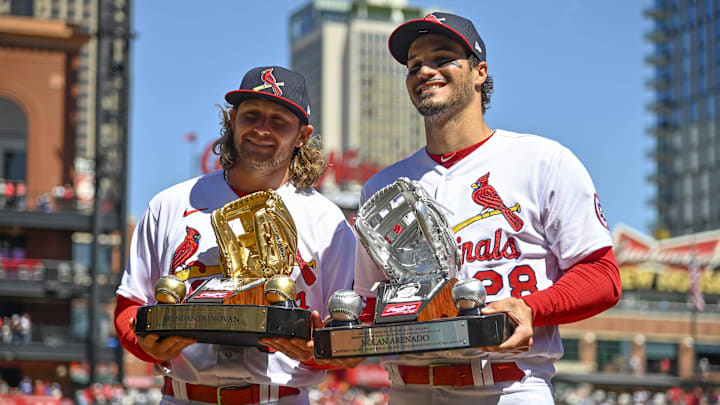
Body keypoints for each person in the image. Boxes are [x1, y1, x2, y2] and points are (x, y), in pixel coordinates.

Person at [353, 12, 622, 404]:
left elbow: (602, 275)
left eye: (442, 58)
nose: (424, 70)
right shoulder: (382, 189)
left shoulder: (542, 160)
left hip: (507, 384)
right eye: (414, 65)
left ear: (480, 72)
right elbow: (368, 301)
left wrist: (532, 307)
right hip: (408, 388)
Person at [114, 66, 356, 405]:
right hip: (184, 395)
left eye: (278, 121)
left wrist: (321, 350)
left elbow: (348, 334)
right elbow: (130, 305)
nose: (261, 129)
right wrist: (143, 344)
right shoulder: (169, 205)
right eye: (251, 115)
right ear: (232, 119)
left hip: (280, 396)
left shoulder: (327, 221)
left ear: (303, 135)